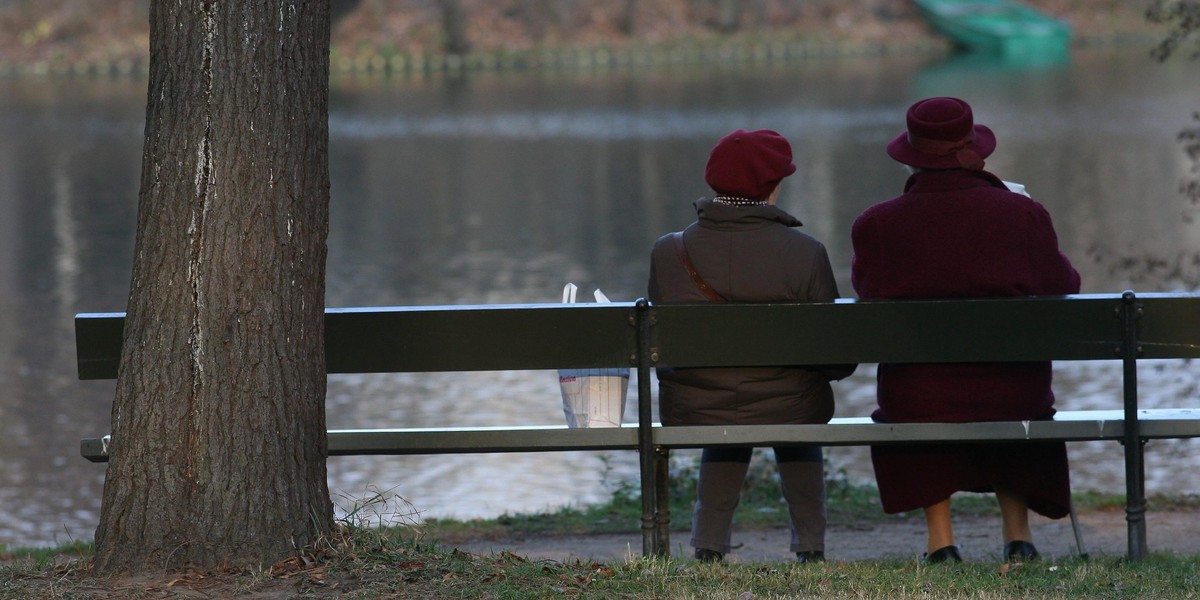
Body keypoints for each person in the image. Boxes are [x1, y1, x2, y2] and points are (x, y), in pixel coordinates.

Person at [850, 97, 1082, 564]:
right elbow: (1064, 285)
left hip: (919, 399)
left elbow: (867, 292)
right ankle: (1018, 538)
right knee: (1013, 385)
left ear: (913, 154)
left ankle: (941, 543)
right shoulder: (1021, 213)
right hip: (1014, 392)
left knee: (920, 388)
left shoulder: (876, 224)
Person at [648, 128, 856, 563]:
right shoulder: (805, 252)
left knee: (728, 401)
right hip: (791, 405)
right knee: (794, 401)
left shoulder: (668, 251)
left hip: (698, 404)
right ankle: (811, 547)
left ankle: (708, 546)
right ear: (773, 185)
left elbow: (661, 347)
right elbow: (837, 358)